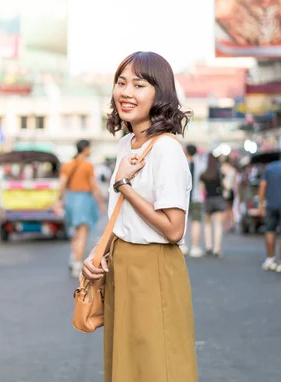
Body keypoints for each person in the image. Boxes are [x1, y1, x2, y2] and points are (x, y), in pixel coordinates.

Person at [82, 51, 197, 382]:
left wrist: (123, 185)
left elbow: (174, 229)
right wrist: (99, 250)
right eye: (121, 83)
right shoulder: (127, 145)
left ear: (159, 94)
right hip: (122, 262)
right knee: (126, 363)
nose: (126, 92)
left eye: (139, 84)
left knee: (158, 363)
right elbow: (121, 216)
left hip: (154, 265)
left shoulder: (167, 149)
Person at [57, 140, 106, 278]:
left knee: (76, 233)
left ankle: (73, 259)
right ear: (85, 149)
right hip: (84, 199)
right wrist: (101, 203)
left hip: (71, 199)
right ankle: (78, 264)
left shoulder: (67, 165)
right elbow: (94, 187)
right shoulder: (87, 165)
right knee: (83, 233)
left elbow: (62, 185)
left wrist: (59, 201)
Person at [200, 154, 225, 258]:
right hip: (218, 199)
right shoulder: (220, 173)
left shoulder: (204, 175)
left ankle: (208, 247)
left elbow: (201, 189)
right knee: (218, 225)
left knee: (207, 224)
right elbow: (226, 186)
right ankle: (217, 249)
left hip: (208, 199)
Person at [184, 144, 205, 258]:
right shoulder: (201, 164)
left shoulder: (181, 163)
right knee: (196, 222)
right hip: (197, 197)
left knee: (182, 222)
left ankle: (183, 245)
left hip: (183, 197)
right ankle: (195, 247)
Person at [221, 156, 237, 232]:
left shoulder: (222, 169)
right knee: (230, 208)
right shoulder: (233, 170)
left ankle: (225, 225)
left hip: (224, 191)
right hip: (231, 190)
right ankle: (232, 224)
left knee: (224, 209)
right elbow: (235, 182)